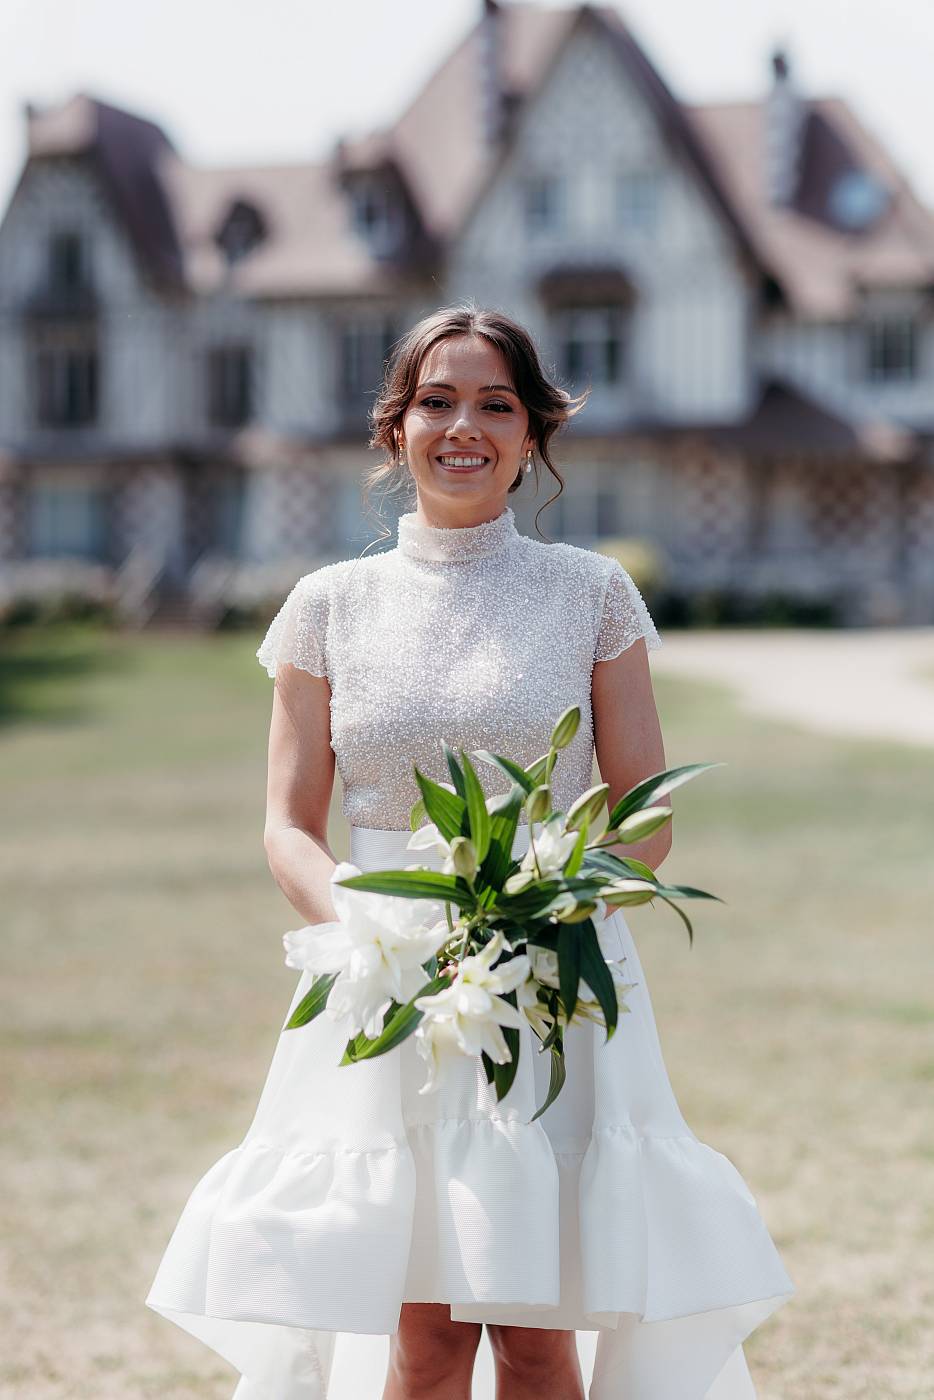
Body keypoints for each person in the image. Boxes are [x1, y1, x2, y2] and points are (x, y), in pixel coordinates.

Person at [145, 304, 795, 1398]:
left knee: (535, 1332)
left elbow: (644, 812)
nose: (464, 426)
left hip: (550, 984)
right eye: (436, 400)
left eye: (496, 403)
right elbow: (288, 826)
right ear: (393, 426)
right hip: (391, 986)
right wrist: (364, 923)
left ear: (534, 432)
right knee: (426, 1329)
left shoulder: (593, 594)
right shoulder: (325, 606)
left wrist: (542, 903)